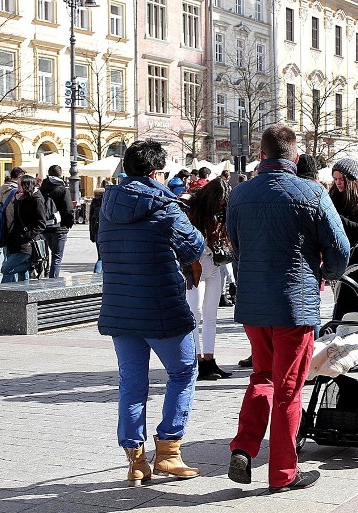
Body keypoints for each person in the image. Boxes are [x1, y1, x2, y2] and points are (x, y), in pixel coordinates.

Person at [226, 124, 349, 493]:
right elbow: (340, 249)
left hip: (253, 304)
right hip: (295, 305)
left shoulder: (240, 193)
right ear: (294, 157)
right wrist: (324, 274)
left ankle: (245, 447)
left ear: (261, 154)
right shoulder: (313, 192)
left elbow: (235, 245)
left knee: (262, 376)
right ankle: (282, 472)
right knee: (288, 388)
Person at [98, 140, 206, 485]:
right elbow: (193, 245)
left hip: (120, 308)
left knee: (131, 383)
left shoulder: (107, 204)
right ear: (156, 172)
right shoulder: (164, 204)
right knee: (183, 372)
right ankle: (169, 453)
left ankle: (135, 461)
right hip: (162, 308)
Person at [183, 177, 234, 381]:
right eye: (220, 202)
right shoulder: (191, 210)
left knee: (211, 315)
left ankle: (210, 360)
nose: (222, 205)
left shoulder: (220, 214)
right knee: (194, 314)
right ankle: (196, 361)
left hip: (213, 266)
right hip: (195, 268)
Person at [1, 175, 48, 282]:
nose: (17, 187)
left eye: (19, 185)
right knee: (23, 276)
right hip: (16, 241)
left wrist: (26, 236)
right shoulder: (22, 198)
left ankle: (32, 265)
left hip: (27, 243)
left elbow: (41, 224)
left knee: (6, 269)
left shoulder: (36, 200)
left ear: (26, 185)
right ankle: (25, 293)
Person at [329, 158, 358, 265]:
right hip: (335, 252)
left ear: (351, 179)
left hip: (356, 254)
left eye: (341, 179)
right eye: (335, 179)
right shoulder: (333, 196)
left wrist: (335, 217)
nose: (338, 183)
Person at [39, 164, 74, 278]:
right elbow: (69, 210)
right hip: (60, 227)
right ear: (61, 174)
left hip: (45, 226)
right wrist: (69, 224)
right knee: (57, 258)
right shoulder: (63, 190)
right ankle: (53, 282)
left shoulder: (41, 189)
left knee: (48, 254)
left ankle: (45, 275)